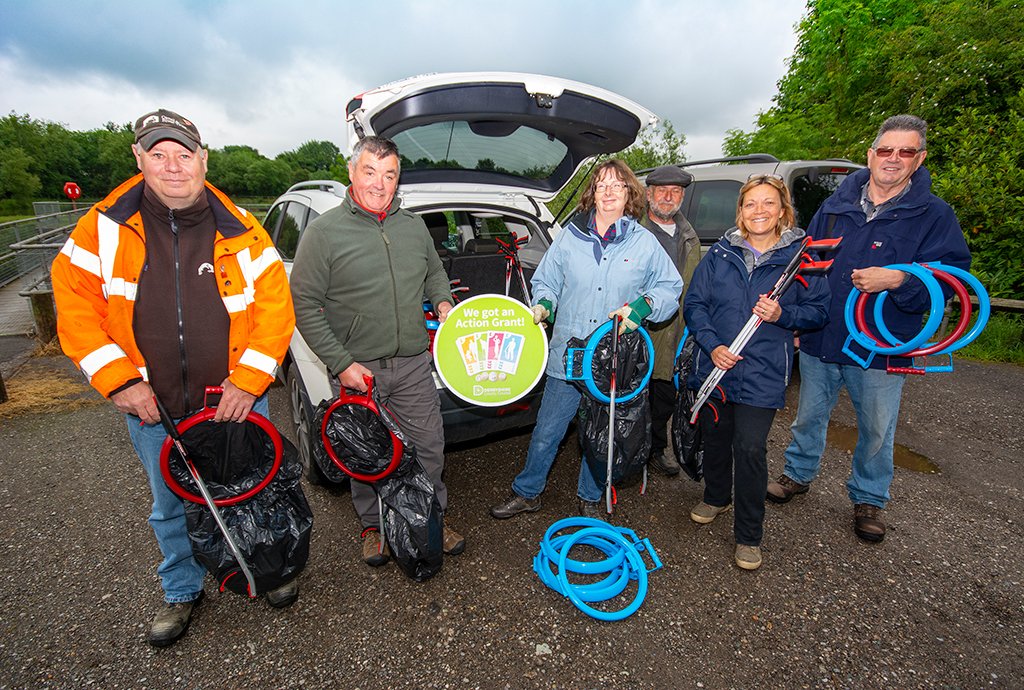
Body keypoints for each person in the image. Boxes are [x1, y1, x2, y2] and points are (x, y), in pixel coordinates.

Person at [50, 109, 297, 647]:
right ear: (139, 160)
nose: (173, 166)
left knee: (255, 489)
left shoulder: (243, 229)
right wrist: (120, 383)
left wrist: (249, 381)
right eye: (158, 155)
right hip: (153, 406)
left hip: (235, 399)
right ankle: (182, 591)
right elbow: (74, 310)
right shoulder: (102, 228)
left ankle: (268, 566)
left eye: (184, 154)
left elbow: (276, 310)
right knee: (170, 506)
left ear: (203, 159)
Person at [767, 114, 971, 543]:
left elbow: (951, 277)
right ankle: (797, 475)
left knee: (878, 427)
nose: (893, 159)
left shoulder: (933, 215)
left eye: (906, 151)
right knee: (809, 416)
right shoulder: (836, 205)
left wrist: (899, 280)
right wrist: (800, 319)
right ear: (871, 154)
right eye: (886, 150)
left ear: (920, 159)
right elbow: (807, 264)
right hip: (824, 335)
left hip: (882, 343)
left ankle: (869, 498)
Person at [289, 135, 465, 566]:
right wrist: (341, 363)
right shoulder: (324, 232)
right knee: (366, 454)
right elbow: (304, 305)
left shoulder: (412, 225)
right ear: (351, 173)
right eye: (370, 172)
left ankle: (429, 518)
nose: (379, 184)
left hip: (411, 366)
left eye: (389, 175)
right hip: (356, 370)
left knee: (428, 447)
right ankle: (374, 526)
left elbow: (435, 273)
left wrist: (443, 301)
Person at [489, 159, 682, 520]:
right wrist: (544, 304)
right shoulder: (569, 237)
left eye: (617, 186)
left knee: (602, 435)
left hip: (612, 362)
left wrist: (641, 308)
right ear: (592, 193)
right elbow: (546, 281)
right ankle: (528, 492)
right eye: (602, 185)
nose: (609, 192)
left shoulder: (644, 242)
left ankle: (589, 497)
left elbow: (670, 287)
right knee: (547, 431)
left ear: (630, 195)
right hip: (569, 356)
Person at [684, 175, 830, 570]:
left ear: (783, 210)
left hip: (763, 372)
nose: (759, 211)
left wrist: (783, 314)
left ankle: (749, 535)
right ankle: (716, 496)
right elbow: (695, 305)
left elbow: (819, 312)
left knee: (749, 448)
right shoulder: (720, 254)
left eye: (768, 203)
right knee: (715, 439)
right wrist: (712, 345)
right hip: (715, 368)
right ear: (741, 211)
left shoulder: (802, 257)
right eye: (751, 204)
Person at [639, 165, 701, 477]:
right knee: (633, 394)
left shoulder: (690, 236)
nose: (668, 196)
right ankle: (628, 452)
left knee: (664, 395)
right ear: (648, 194)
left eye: (675, 191)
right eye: (661, 190)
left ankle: (654, 449)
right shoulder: (632, 232)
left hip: (676, 331)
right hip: (641, 330)